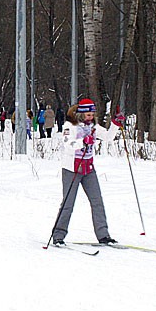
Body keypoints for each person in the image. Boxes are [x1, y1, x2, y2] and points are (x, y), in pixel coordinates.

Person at [50, 98, 120, 246]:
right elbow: (68, 144)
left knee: (97, 202)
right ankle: (58, 236)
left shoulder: (93, 126)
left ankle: (103, 236)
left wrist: (115, 124)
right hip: (72, 169)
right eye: (88, 115)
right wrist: (83, 141)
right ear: (81, 114)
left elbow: (108, 137)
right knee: (68, 203)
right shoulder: (70, 126)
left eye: (92, 114)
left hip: (88, 169)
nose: (91, 117)